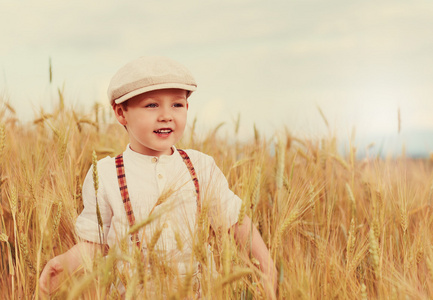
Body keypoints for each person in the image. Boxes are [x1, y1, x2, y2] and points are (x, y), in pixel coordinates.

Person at [39, 56, 277, 298]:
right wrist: (67, 263)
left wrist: (265, 265)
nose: (166, 115)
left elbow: (234, 221)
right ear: (121, 113)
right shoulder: (107, 174)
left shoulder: (200, 166)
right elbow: (95, 243)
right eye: (152, 105)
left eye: (177, 105)